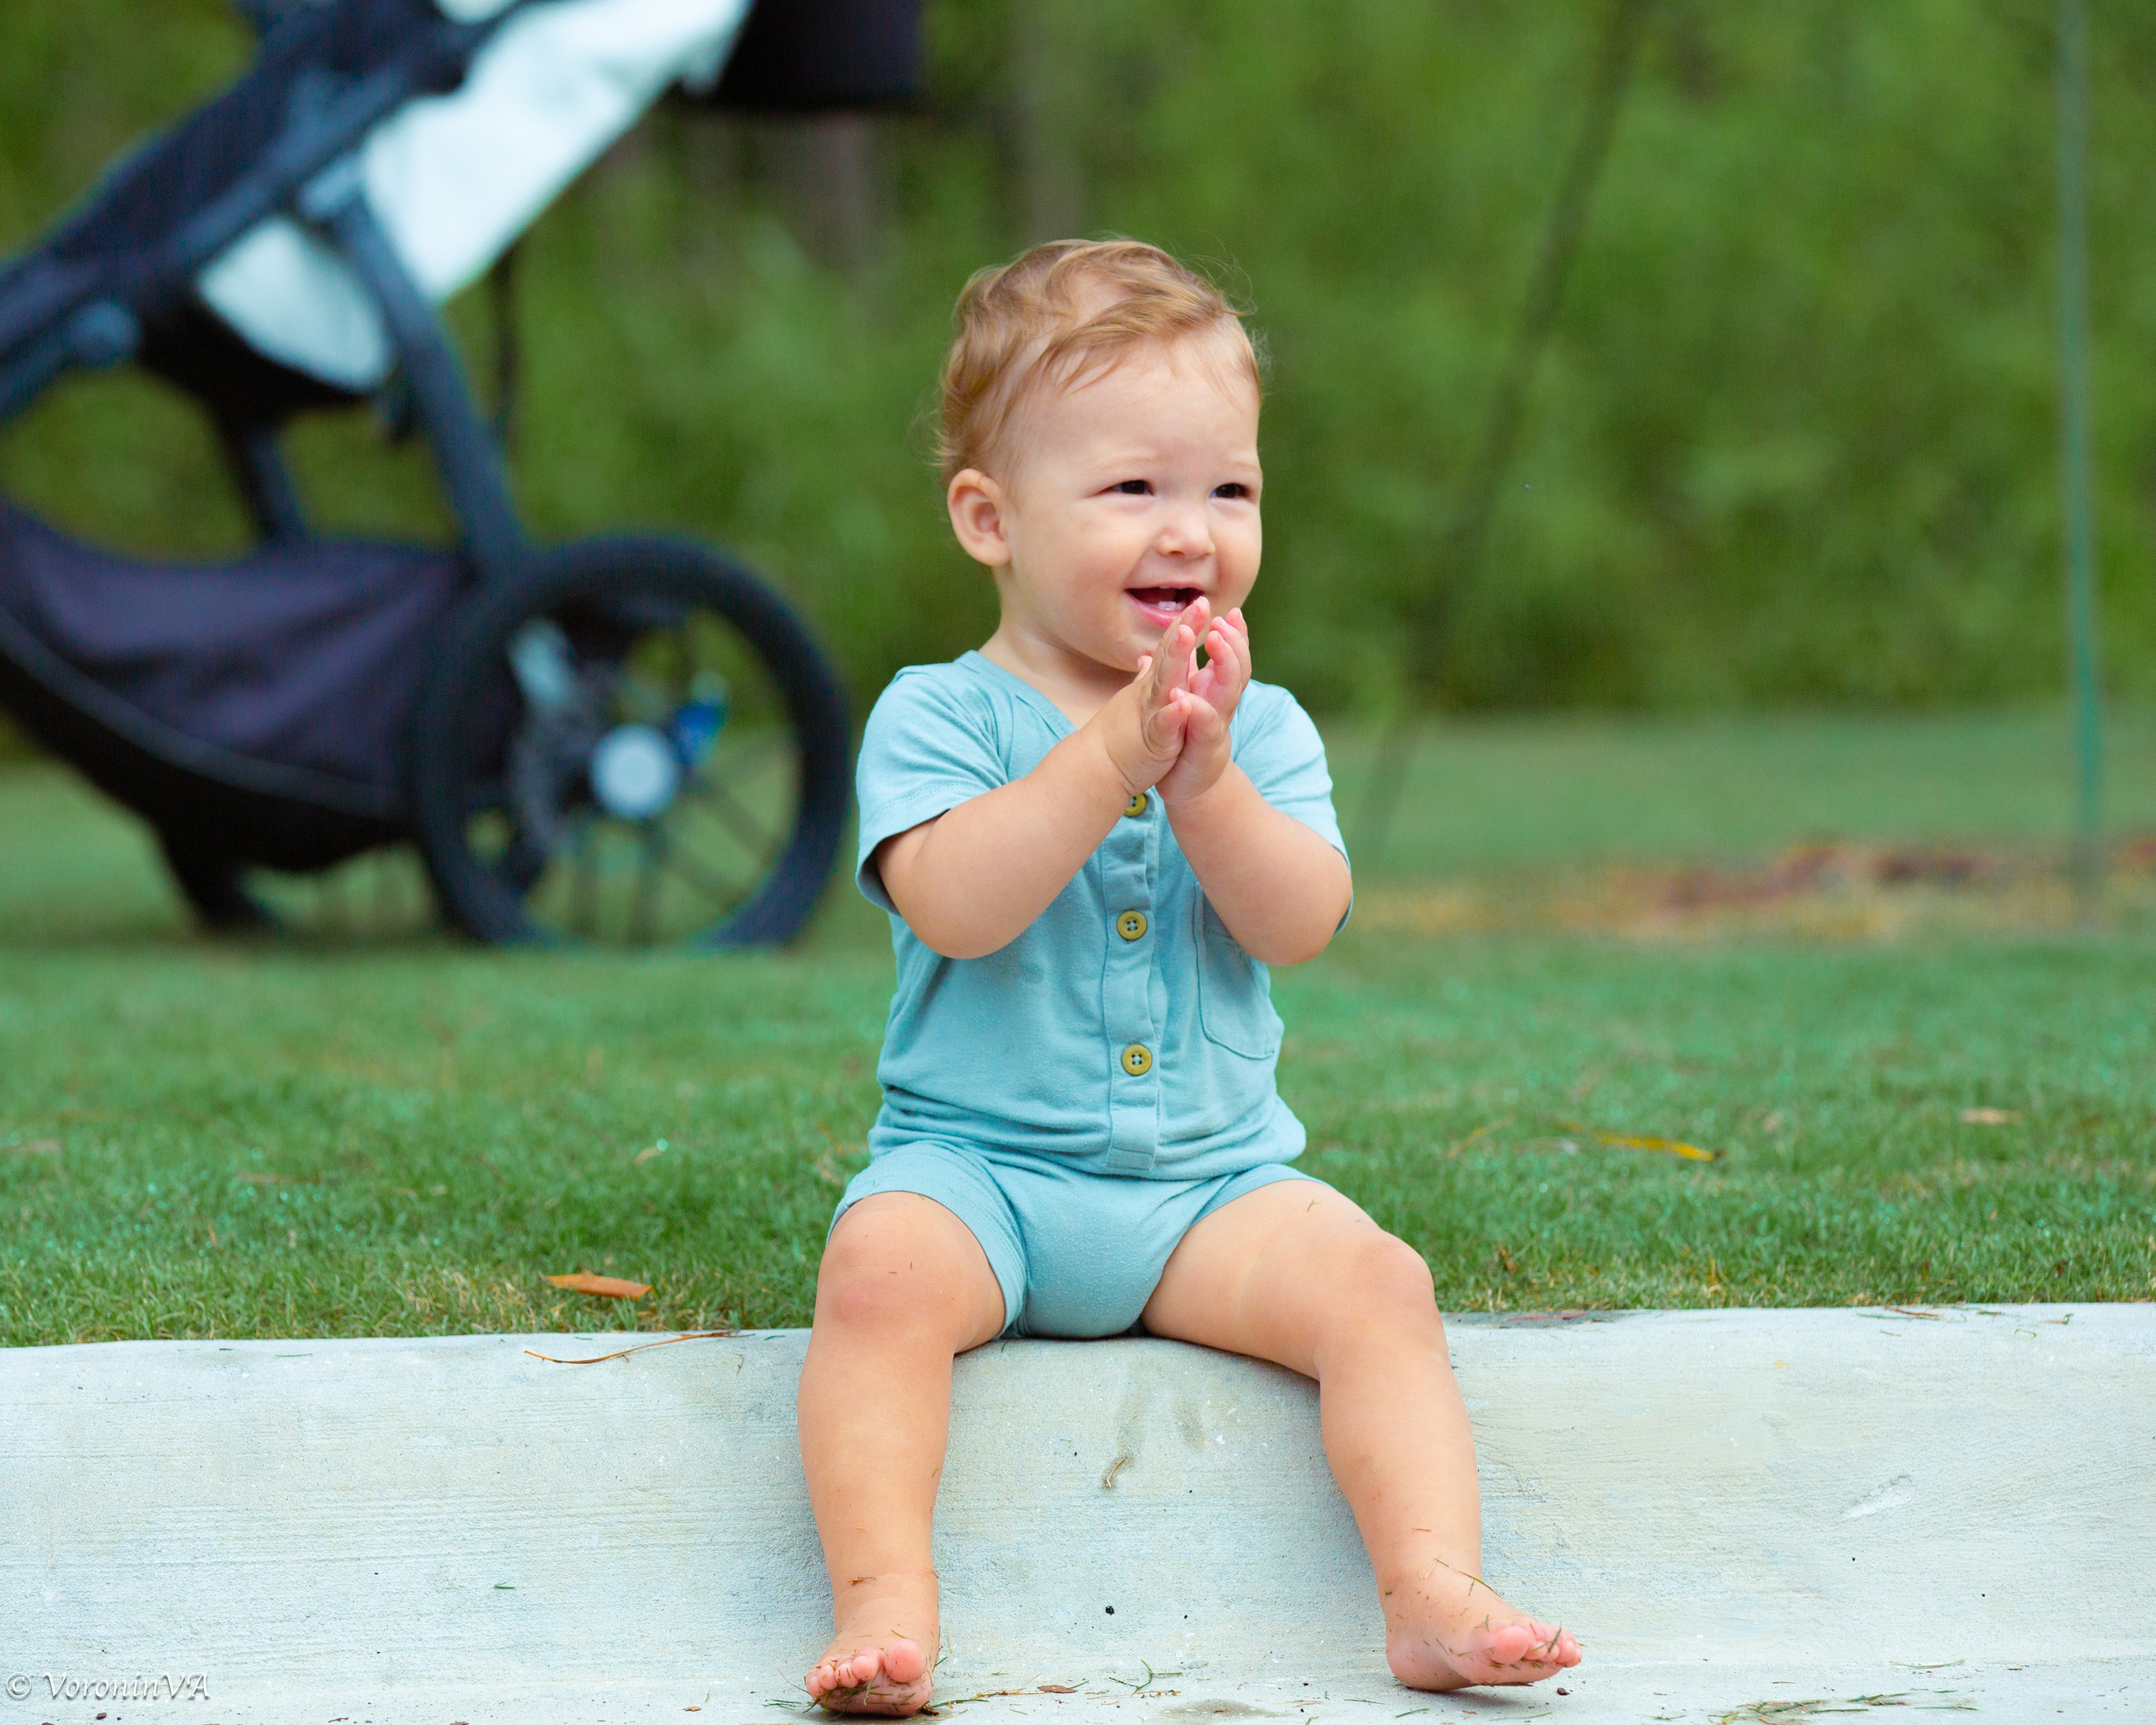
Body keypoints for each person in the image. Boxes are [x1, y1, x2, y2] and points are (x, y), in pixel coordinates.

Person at [798, 239, 1579, 1714]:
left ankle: (1430, 1586)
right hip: (981, 1179)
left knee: (1381, 1285)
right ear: (989, 519)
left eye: (1230, 489)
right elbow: (956, 907)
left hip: (1207, 1193)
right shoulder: (938, 716)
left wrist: (1205, 784)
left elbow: (1303, 921)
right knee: (876, 1278)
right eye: (1132, 489)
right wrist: (1110, 753)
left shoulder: (1258, 729)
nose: (1192, 530)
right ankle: (885, 1599)